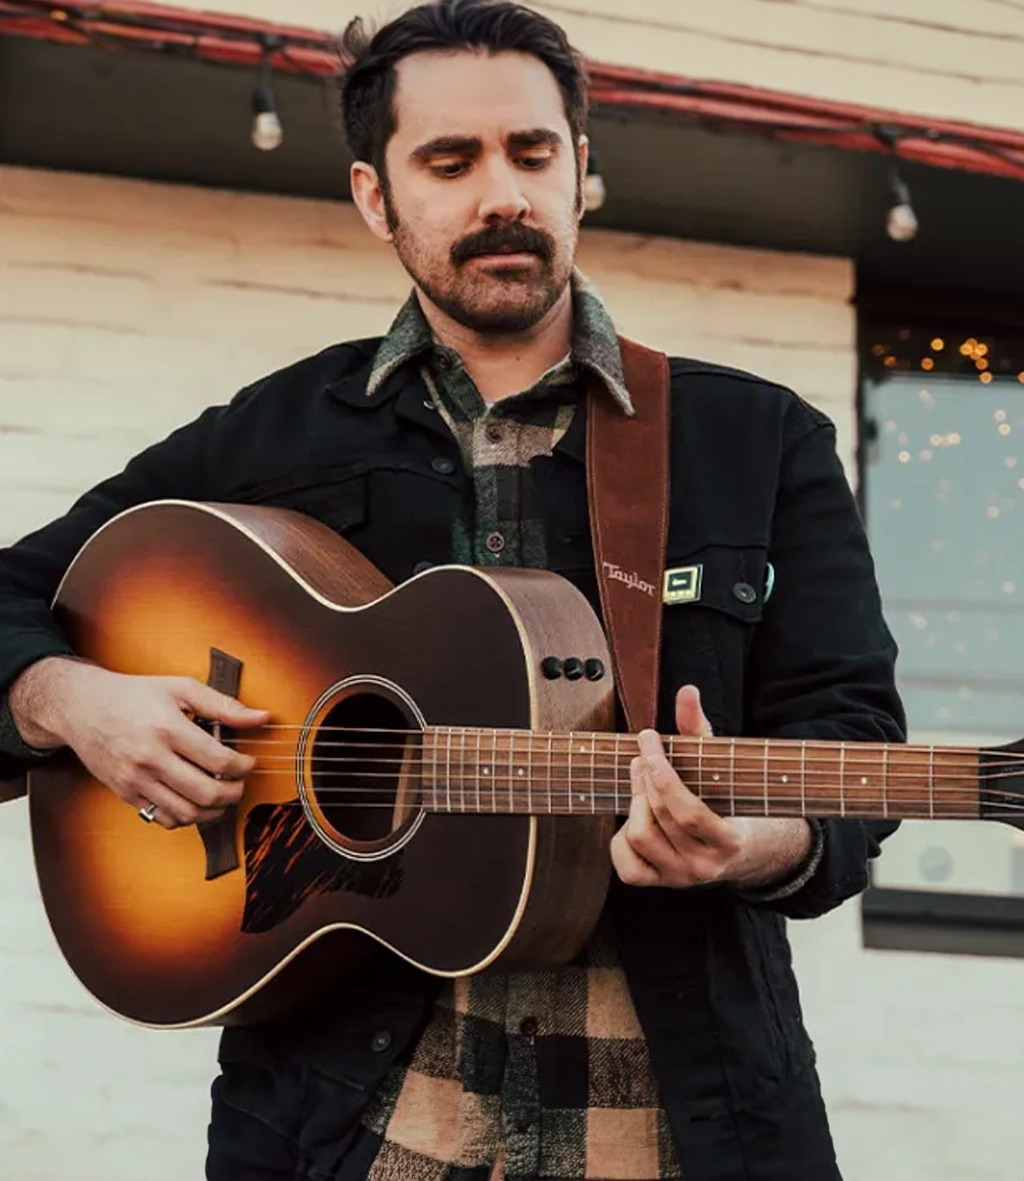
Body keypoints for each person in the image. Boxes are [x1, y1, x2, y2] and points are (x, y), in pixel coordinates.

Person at [0, 2, 905, 1179]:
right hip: (351, 1137)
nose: (502, 196)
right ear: (377, 196)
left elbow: (852, 742)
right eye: (450, 159)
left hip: (680, 1130)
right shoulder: (275, 436)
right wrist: (76, 702)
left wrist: (755, 843)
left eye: (533, 153)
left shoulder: (756, 440)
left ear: (583, 172)